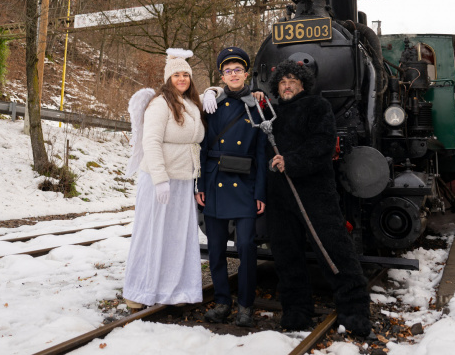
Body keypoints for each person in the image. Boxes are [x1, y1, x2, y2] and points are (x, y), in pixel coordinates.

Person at [266, 59, 372, 338]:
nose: (287, 86)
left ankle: (354, 307)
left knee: (332, 248)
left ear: (303, 85)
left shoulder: (317, 107)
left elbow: (322, 144)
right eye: (282, 82)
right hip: (280, 194)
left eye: (292, 82)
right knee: (286, 254)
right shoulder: (272, 112)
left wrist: (292, 161)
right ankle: (296, 309)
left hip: (314, 192)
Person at [122, 48, 206, 308]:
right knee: (152, 234)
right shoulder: (160, 104)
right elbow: (151, 141)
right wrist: (160, 179)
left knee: (176, 237)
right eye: (176, 75)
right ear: (168, 78)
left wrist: (215, 91)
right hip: (161, 181)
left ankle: (174, 289)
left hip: (183, 181)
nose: (182, 79)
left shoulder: (191, 104)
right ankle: (138, 291)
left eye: (186, 75)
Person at [196, 47, 268, 327]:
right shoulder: (212, 105)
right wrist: (199, 184)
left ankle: (246, 305)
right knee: (215, 248)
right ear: (221, 75)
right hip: (214, 182)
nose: (233, 74)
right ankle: (223, 302)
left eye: (238, 70)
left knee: (247, 246)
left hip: (246, 184)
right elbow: (201, 148)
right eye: (228, 70)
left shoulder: (257, 106)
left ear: (247, 74)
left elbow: (261, 154)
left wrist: (261, 191)